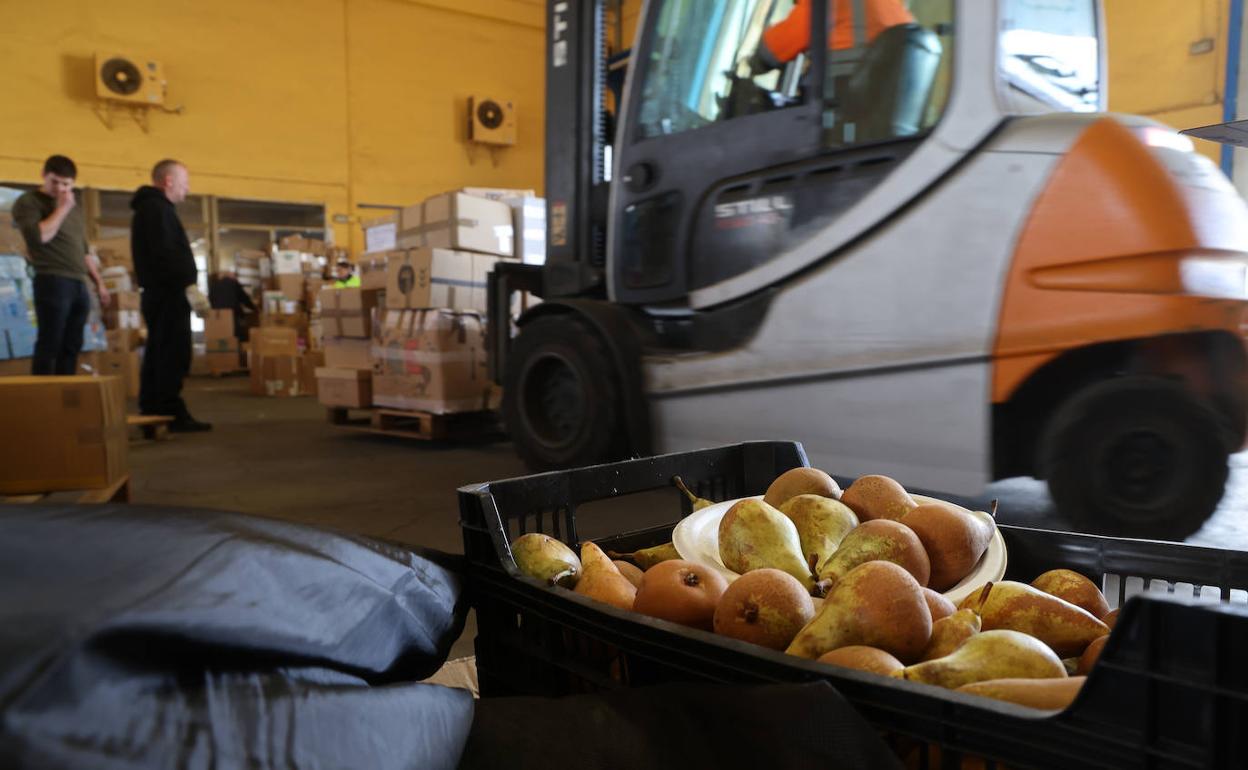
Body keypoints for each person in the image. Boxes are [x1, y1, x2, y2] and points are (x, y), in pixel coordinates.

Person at [131, 159, 212, 432]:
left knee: (160, 351)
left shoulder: (154, 209)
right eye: (184, 182)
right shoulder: (156, 210)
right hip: (167, 294)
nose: (187, 189)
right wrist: (187, 285)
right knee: (172, 353)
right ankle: (167, 409)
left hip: (162, 293)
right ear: (168, 181)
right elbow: (166, 254)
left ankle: (156, 409)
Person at [11, 155, 110, 375]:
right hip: (52, 279)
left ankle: (64, 394)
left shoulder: (74, 210)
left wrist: (99, 282)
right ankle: (43, 396)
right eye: (54, 181)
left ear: (72, 184)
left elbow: (83, 250)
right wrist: (63, 208)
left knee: (72, 344)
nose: (59, 188)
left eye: (65, 184)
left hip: (78, 281)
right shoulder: (29, 202)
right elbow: (39, 237)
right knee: (50, 342)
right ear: (44, 176)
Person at [756, 0, 914, 69]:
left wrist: (750, 61)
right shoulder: (902, 14)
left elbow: (770, 53)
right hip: (868, 124)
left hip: (833, 111)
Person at [208, 268, 257, 343]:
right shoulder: (233, 283)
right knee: (239, 332)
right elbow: (244, 299)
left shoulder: (214, 285)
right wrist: (255, 309)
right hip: (232, 313)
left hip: (217, 314)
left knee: (221, 337)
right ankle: (239, 347)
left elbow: (210, 300)